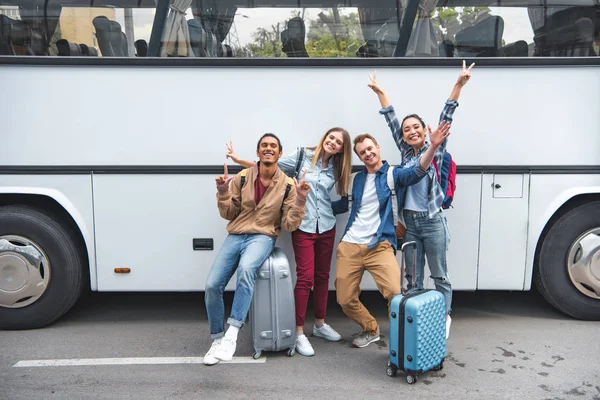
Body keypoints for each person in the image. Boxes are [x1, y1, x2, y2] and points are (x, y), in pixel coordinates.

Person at [367, 60, 474, 339]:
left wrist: (458, 85)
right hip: (411, 224)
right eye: (407, 129)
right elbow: (390, 117)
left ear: (424, 131)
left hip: (433, 221)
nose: (411, 131)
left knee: (439, 275)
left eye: (416, 127)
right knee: (413, 279)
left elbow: (446, 115)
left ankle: (443, 317)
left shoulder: (435, 150)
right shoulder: (405, 154)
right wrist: (379, 91)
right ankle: (416, 324)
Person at [225, 127, 353, 356]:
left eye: (339, 142)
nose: (333, 143)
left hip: (326, 225)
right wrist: (238, 160)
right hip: (303, 225)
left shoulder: (337, 168)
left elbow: (339, 200)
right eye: (331, 138)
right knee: (305, 278)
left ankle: (320, 325)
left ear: (342, 149)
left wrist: (330, 212)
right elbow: (269, 168)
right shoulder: (303, 155)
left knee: (323, 277)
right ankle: (299, 332)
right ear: (325, 138)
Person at [333, 122, 450, 348]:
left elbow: (417, 171)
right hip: (349, 245)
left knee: (396, 294)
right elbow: (344, 205)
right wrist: (307, 201)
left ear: (377, 147)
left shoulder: (392, 174)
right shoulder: (357, 179)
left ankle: (399, 337)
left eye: (370, 149)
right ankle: (371, 329)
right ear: (359, 156)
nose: (367, 154)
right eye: (362, 152)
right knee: (344, 299)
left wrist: (433, 147)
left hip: (379, 245)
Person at [203, 133, 309, 366]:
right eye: (264, 146)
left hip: (263, 236)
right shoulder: (242, 177)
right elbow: (229, 213)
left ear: (280, 153)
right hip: (236, 235)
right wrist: (222, 192)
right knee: (212, 285)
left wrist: (300, 200)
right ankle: (217, 339)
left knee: (246, 269)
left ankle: (231, 335)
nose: (268, 148)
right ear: (258, 152)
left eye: (273, 146)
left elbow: (290, 224)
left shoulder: (289, 185)